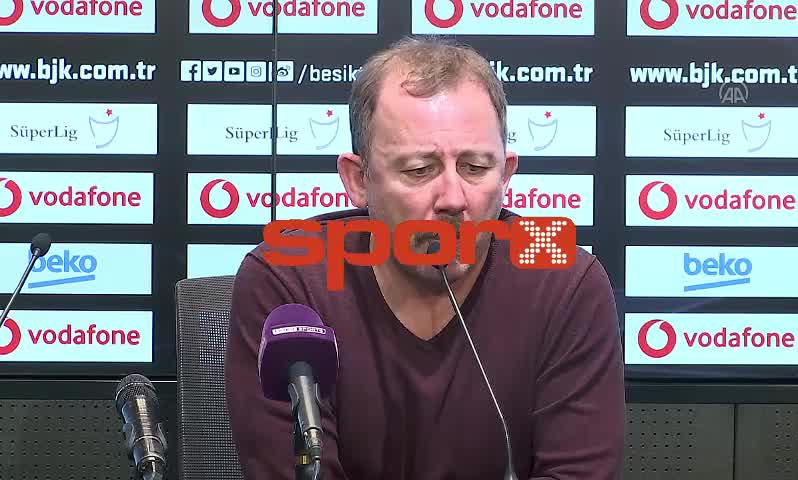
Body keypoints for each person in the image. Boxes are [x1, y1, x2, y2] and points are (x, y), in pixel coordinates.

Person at [225, 35, 626, 479]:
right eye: (419, 170)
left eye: (475, 168)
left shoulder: (565, 277)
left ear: (506, 174)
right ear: (358, 180)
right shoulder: (288, 277)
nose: (453, 198)